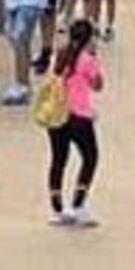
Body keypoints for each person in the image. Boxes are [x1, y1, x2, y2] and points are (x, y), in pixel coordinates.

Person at [43, 17, 103, 226]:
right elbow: (97, 85)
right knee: (90, 158)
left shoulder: (61, 54)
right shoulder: (87, 59)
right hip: (79, 115)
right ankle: (78, 204)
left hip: (57, 114)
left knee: (58, 160)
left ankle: (58, 208)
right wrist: (95, 58)